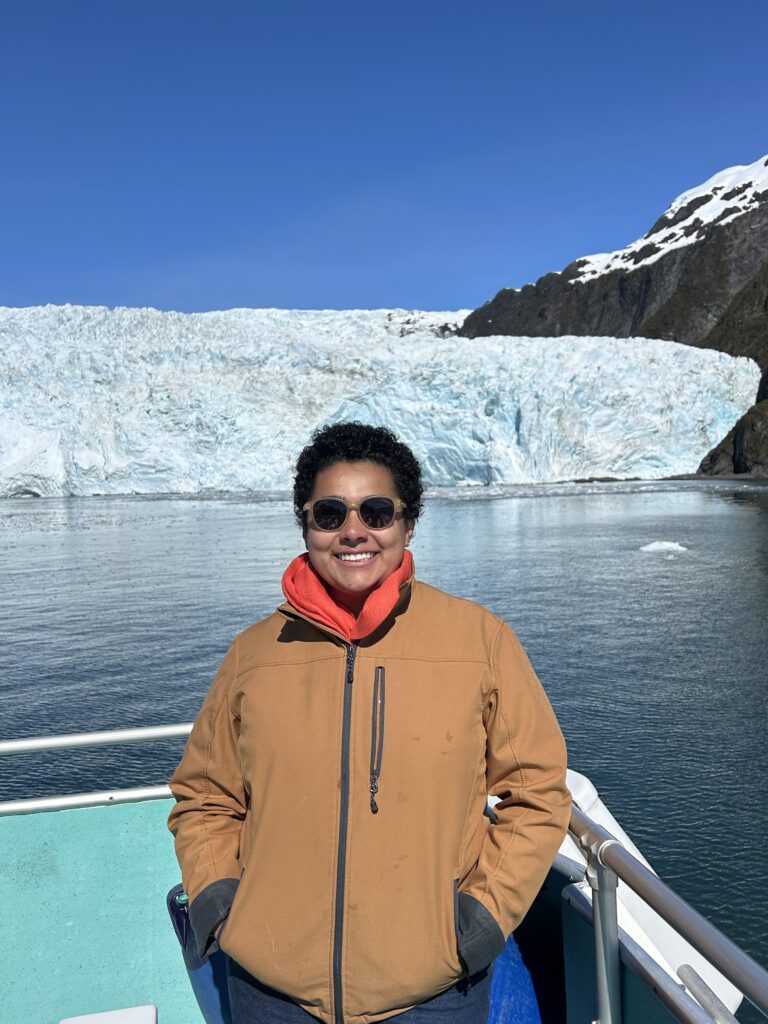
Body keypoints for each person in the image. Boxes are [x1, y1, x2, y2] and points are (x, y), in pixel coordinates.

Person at [168, 421, 571, 1024]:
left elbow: (537, 793)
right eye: (329, 513)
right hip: (270, 992)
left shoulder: (478, 640)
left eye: (376, 511)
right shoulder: (254, 654)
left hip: (433, 993)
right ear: (305, 525)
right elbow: (204, 795)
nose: (354, 531)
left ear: (408, 523)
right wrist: (223, 904)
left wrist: (480, 919)